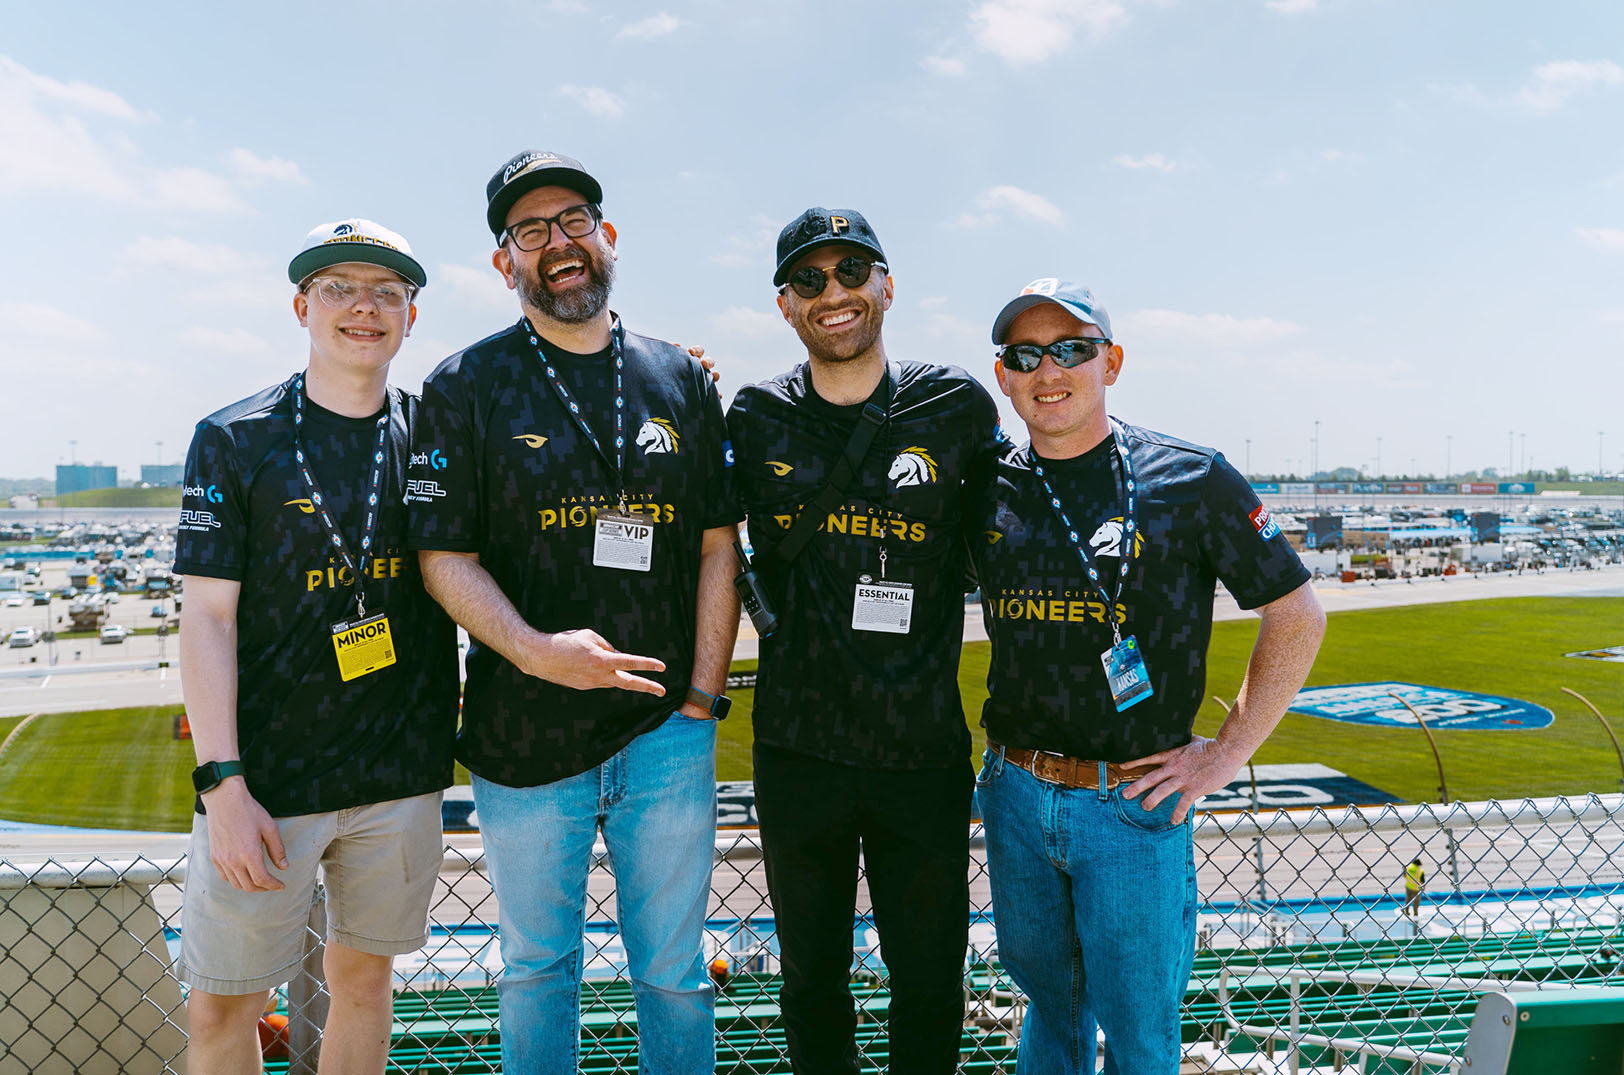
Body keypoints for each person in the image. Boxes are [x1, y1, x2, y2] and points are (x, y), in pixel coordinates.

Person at [407, 150, 740, 1075]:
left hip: (665, 733)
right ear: (503, 261)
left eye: (572, 221)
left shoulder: (681, 376)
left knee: (675, 970)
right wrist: (532, 649)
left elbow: (720, 544)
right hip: (525, 734)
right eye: (529, 230)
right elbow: (443, 556)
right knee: (535, 969)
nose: (556, 243)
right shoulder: (465, 384)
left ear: (608, 238)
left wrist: (704, 697)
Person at [970, 279, 1326, 1073]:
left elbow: (1298, 615)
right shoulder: (986, 485)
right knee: (1050, 1016)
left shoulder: (1191, 478)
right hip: (1017, 793)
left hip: (1133, 802)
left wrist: (1226, 754)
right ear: (1004, 376)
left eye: (1071, 349)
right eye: (1025, 355)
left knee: (1139, 1035)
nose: (1048, 369)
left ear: (1112, 361)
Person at [174, 219, 458, 1075]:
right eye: (340, 287)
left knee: (364, 981)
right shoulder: (236, 437)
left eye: (388, 290)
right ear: (302, 306)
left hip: (398, 777)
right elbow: (206, 619)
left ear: (412, 314)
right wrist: (223, 785)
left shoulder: (436, 433)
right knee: (225, 1003)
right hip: (268, 782)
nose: (364, 306)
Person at [726, 207, 1005, 1074]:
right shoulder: (754, 414)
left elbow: (1006, 550)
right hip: (798, 747)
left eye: (853, 272)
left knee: (929, 978)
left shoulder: (955, 404)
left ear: (887, 285)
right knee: (811, 981)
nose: (834, 293)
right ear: (784, 305)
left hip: (919, 750)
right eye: (809, 279)